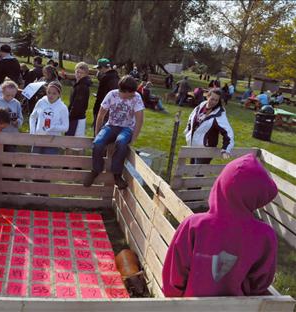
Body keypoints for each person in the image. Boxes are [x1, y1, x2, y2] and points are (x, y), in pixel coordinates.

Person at [162, 153, 278, 297]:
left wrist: (174, 301)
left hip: (190, 307)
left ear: (219, 184)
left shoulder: (194, 225)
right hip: (239, 308)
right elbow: (260, 283)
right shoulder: (265, 235)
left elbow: (175, 275)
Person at [84, 76, 145, 190]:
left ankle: (117, 175)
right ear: (124, 91)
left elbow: (139, 119)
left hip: (127, 128)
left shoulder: (136, 97)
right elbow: (101, 115)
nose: (133, 94)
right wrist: (97, 133)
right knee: (97, 143)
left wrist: (133, 138)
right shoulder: (112, 95)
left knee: (121, 142)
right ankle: (96, 169)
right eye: (131, 93)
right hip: (111, 125)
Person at [185, 89, 234, 164]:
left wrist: (226, 149)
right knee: (192, 170)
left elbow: (228, 132)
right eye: (212, 99)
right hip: (193, 146)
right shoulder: (200, 106)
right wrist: (188, 132)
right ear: (208, 96)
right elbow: (191, 119)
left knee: (198, 173)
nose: (213, 102)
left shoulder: (219, 114)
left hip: (206, 150)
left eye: (216, 100)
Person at [29, 81, 69, 154]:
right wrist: (32, 132)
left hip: (53, 140)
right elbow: (33, 117)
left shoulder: (62, 107)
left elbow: (65, 127)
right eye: (49, 92)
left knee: (48, 163)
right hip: (38, 138)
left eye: (54, 93)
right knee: (34, 162)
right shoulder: (41, 102)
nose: (51, 95)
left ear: (59, 94)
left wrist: (52, 127)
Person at [0, 80, 23, 153]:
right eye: (7, 95)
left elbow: (20, 118)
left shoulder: (16, 103)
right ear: (2, 92)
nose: (10, 97)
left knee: (11, 154)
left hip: (12, 134)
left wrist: (17, 122)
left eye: (13, 95)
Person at [92, 58, 120, 130]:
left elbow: (101, 96)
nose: (98, 70)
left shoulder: (105, 78)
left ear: (103, 68)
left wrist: (96, 111)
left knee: (98, 134)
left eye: (99, 68)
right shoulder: (117, 78)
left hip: (103, 110)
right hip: (113, 110)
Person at [66, 62, 91, 138]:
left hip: (77, 118)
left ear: (86, 74)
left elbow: (77, 105)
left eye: (82, 73)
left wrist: (70, 117)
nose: (79, 75)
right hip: (74, 116)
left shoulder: (82, 86)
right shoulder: (78, 84)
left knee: (73, 143)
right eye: (77, 72)